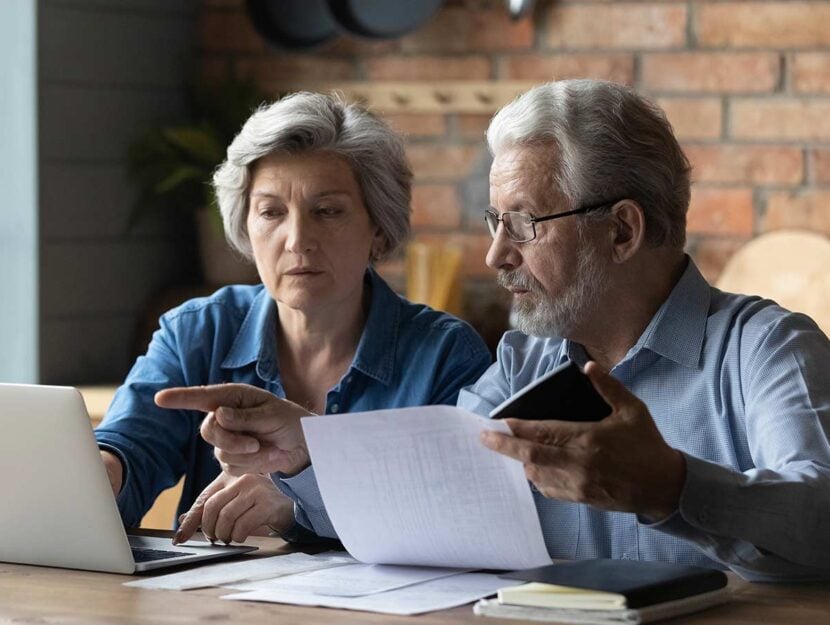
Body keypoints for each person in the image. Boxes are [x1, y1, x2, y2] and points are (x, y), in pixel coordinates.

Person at [178, 80, 830, 581]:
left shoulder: (766, 348)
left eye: (523, 224)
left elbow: (822, 516)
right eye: (494, 222)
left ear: (622, 230)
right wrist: (305, 449)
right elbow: (427, 494)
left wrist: (672, 486)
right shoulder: (524, 362)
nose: (495, 256)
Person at [94, 92, 492, 545]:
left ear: (378, 229)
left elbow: (460, 516)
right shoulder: (197, 332)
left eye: (327, 211)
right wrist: (102, 476)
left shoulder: (446, 356)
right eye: (271, 212)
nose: (298, 240)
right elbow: (131, 446)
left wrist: (301, 505)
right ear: (246, 227)